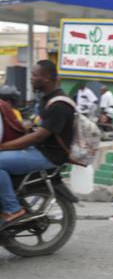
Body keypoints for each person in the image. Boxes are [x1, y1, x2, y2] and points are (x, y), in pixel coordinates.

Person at [0, 60, 74, 229]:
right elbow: (36, 127)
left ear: (47, 78)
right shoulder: (46, 99)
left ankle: (13, 210)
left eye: (34, 75)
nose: (31, 79)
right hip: (40, 150)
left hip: (49, 155)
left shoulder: (59, 104)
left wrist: (4, 146)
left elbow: (38, 136)